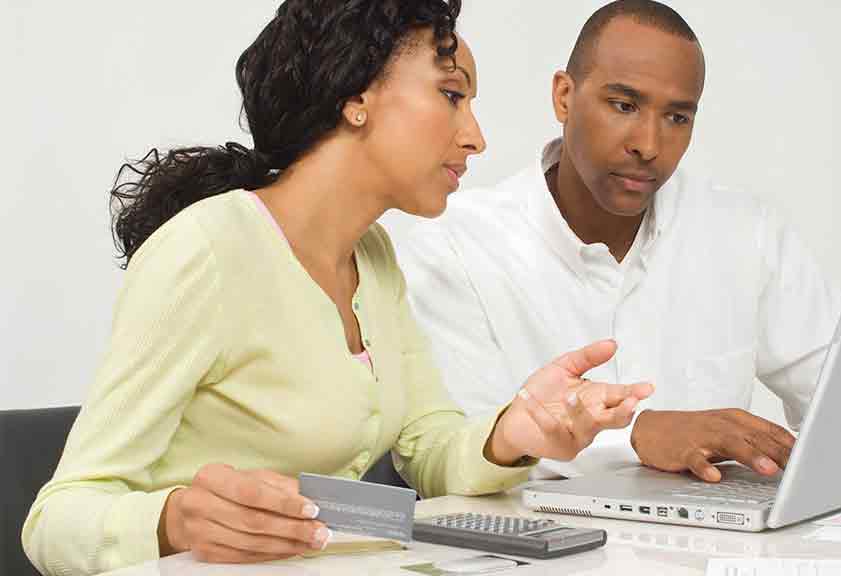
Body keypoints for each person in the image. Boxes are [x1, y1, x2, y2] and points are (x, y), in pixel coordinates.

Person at [21, 2, 655, 574]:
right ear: (357, 96)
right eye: (452, 96)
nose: (476, 137)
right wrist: (172, 520)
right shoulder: (208, 252)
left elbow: (428, 450)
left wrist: (516, 431)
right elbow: (58, 519)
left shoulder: (373, 257)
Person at [395, 0, 841, 482]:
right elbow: (459, 453)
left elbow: (837, 385)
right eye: (622, 105)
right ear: (564, 96)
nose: (648, 143)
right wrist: (639, 437)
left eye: (677, 116)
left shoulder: (743, 233)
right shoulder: (452, 246)